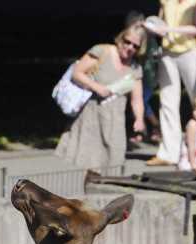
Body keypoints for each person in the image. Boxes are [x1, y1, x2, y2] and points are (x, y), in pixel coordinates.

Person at [54, 24, 146, 169]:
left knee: (114, 163)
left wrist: (139, 119)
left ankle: (104, 191)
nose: (130, 48)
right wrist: (96, 87)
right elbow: (76, 73)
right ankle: (90, 191)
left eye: (135, 46)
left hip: (115, 122)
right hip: (91, 117)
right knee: (89, 163)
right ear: (120, 39)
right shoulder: (101, 51)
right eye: (127, 42)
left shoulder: (135, 69)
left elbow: (137, 99)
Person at [145, 0, 196, 166]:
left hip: (189, 52)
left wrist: (169, 29)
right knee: (167, 102)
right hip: (168, 53)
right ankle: (168, 153)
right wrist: (153, 28)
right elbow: (159, 22)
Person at [124, 11, 162, 146]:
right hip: (138, 74)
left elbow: (155, 59)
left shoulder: (150, 40)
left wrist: (157, 75)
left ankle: (155, 127)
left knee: (142, 102)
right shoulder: (131, 39)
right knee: (138, 102)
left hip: (149, 76)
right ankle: (142, 131)